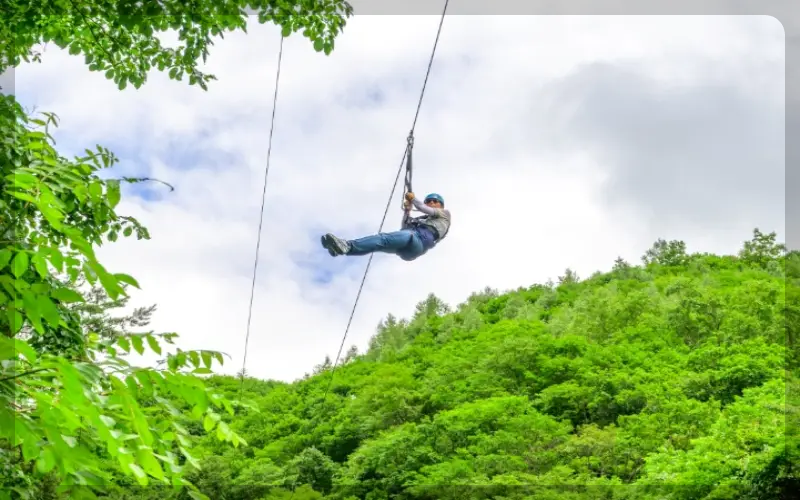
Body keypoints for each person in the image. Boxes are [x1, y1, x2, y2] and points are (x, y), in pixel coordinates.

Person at [320, 192, 451, 261]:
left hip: (418, 242)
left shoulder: (444, 214)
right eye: (429, 201)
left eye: (435, 201)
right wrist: (407, 211)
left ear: (441, 205)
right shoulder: (423, 220)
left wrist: (413, 199)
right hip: (408, 248)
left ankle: (347, 245)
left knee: (386, 238)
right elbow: (404, 228)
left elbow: (423, 208)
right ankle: (341, 249)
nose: (431, 203)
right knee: (379, 243)